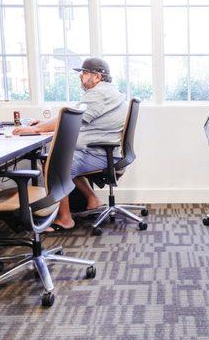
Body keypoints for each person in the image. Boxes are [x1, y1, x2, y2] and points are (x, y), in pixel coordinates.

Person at [13, 57, 127, 232]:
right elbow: (73, 121)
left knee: (57, 163)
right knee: (68, 158)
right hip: (103, 151)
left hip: (99, 153)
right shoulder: (108, 91)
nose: (80, 76)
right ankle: (92, 199)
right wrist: (43, 126)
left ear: (97, 76)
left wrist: (36, 130)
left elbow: (71, 117)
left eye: (84, 72)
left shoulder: (98, 94)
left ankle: (65, 218)